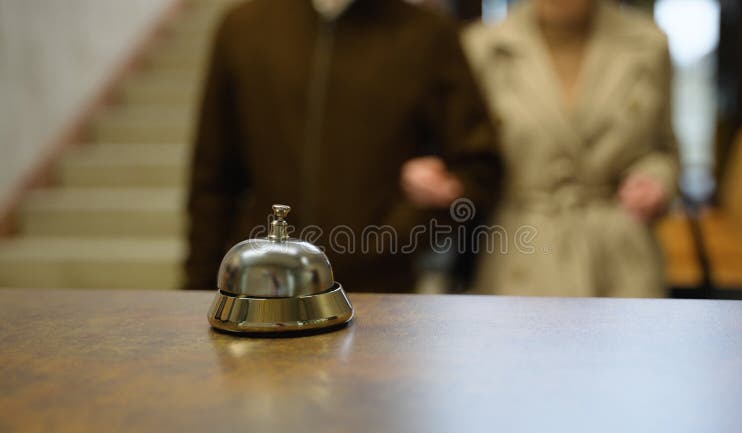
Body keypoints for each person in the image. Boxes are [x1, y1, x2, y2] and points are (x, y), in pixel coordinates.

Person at [185, 0, 502, 292]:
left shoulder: (425, 33)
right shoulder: (244, 27)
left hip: (380, 299)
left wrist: (396, 235)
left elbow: (478, 171)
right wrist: (197, 289)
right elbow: (213, 177)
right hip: (265, 292)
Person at [462, 0, 678, 297]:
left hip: (620, 254)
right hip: (522, 249)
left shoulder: (648, 44)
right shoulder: (482, 46)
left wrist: (654, 180)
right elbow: (468, 154)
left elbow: (663, 148)